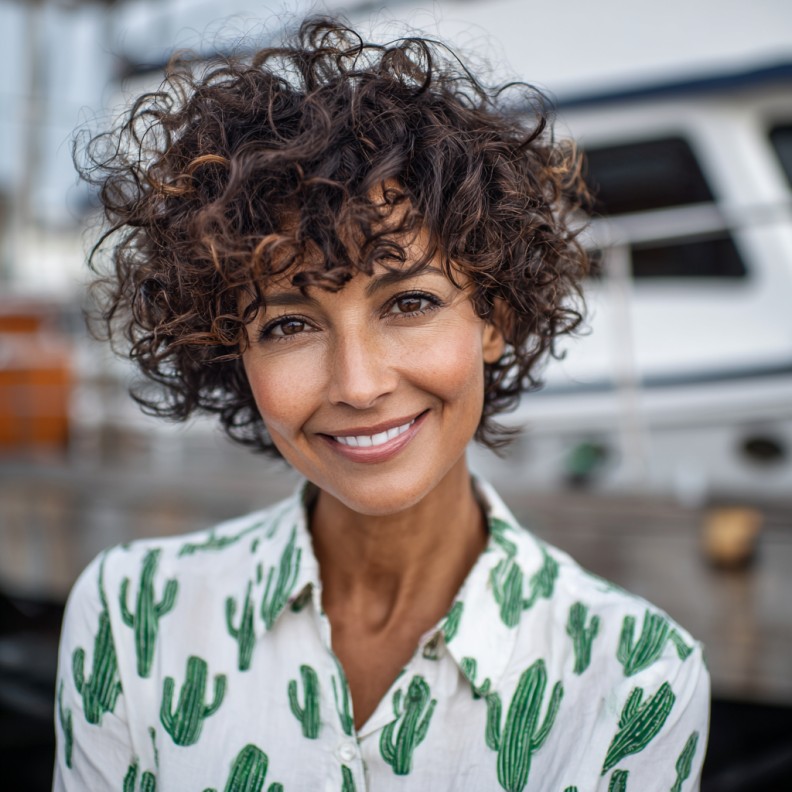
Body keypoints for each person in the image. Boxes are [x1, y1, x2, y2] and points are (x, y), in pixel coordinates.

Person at [54, 17, 709, 792]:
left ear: (493, 316)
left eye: (409, 304)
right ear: (234, 350)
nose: (359, 385)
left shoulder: (637, 677)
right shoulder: (132, 620)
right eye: (290, 324)